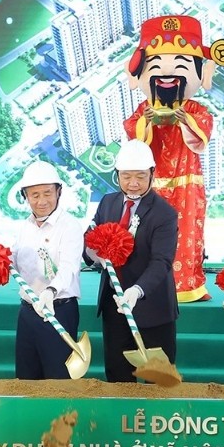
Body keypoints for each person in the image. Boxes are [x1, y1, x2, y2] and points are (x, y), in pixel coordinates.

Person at [123, 14, 224, 303]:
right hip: (151, 187)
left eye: (182, 65)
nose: (168, 75)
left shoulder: (195, 110)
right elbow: (134, 137)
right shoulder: (144, 109)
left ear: (202, 74)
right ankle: (148, 287)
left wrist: (185, 120)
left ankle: (190, 287)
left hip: (187, 186)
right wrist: (148, 121)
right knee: (149, 236)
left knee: (187, 235)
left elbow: (202, 135)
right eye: (156, 66)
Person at [88, 139, 178, 382]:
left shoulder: (164, 213)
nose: (133, 183)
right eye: (126, 176)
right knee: (117, 376)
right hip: (114, 305)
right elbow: (91, 238)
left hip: (151, 307)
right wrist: (94, 254)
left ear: (152, 174)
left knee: (158, 381)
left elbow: (161, 261)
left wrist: (137, 290)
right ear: (117, 174)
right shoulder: (108, 202)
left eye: (140, 176)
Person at [12, 160, 83, 379]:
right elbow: (14, 264)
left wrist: (50, 291)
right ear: (25, 196)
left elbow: (69, 267)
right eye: (35, 195)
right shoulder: (24, 227)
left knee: (58, 380)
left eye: (47, 193)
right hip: (28, 312)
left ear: (59, 192)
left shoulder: (70, 226)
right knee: (26, 378)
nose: (42, 201)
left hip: (59, 310)